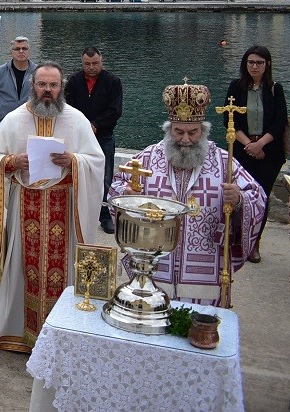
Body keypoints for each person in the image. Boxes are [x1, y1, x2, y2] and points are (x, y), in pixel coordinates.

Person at [0, 62, 104, 353]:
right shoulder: (13, 120)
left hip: (65, 204)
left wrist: (74, 160)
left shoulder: (77, 119)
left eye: (54, 85)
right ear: (32, 86)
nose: (47, 91)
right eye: (42, 85)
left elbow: (96, 162)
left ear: (62, 87)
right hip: (26, 205)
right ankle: (17, 332)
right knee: (23, 269)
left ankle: (64, 333)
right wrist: (12, 162)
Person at [111, 80, 267, 305]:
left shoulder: (224, 161)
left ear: (203, 130)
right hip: (156, 263)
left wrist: (240, 200)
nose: (185, 140)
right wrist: (126, 193)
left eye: (192, 132)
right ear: (168, 129)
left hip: (204, 268)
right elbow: (116, 188)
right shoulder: (148, 157)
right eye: (178, 132)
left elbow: (257, 195)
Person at [225, 45, 287, 263]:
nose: (254, 66)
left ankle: (255, 242)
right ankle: (236, 239)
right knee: (238, 196)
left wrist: (260, 144)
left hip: (268, 152)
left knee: (261, 197)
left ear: (267, 65)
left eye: (259, 62)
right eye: (251, 62)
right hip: (242, 150)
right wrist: (249, 145)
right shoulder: (236, 87)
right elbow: (228, 119)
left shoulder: (274, 89)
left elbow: (280, 121)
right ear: (245, 64)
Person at [64, 46, 123, 234]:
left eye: (95, 63)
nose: (91, 67)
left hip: (103, 135)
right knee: (75, 173)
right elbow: (68, 107)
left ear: (101, 61)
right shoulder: (73, 81)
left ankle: (105, 215)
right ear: (82, 63)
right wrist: (82, 126)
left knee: (105, 176)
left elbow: (115, 110)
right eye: (87, 64)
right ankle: (75, 212)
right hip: (78, 136)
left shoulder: (113, 81)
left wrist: (95, 124)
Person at [0, 36, 36, 125]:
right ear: (11, 52)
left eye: (24, 48)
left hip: (32, 122)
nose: (21, 51)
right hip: (5, 122)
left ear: (29, 51)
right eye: (17, 49)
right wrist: (2, 108)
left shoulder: (38, 72)